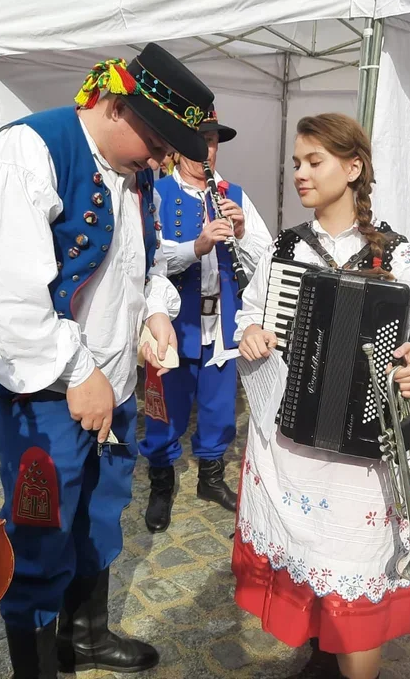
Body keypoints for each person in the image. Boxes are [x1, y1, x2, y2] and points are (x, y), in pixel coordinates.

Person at [0, 44, 213, 679]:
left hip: (115, 384)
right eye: (158, 141)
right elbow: (2, 291)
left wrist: (155, 312)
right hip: (47, 390)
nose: (161, 159)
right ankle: (37, 667)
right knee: (40, 530)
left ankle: (86, 638)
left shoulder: (138, 173)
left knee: (100, 515)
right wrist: (79, 373)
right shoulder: (30, 150)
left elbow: (144, 262)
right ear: (115, 104)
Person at [232, 113, 410, 679]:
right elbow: (249, 314)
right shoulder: (285, 250)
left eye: (315, 162)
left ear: (353, 168)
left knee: (355, 586)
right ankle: (320, 657)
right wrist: (252, 331)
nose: (300, 174)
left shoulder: (398, 257)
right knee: (310, 569)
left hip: (362, 459)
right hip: (293, 446)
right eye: (296, 163)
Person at [141, 105, 271, 533]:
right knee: (165, 408)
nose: (206, 151)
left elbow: (265, 263)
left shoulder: (235, 194)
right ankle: (161, 485)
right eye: (198, 142)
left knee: (218, 406)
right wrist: (195, 247)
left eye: (212, 142)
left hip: (222, 323)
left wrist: (243, 230)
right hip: (175, 324)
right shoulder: (158, 192)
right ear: (178, 149)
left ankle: (210, 480)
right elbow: (148, 261)